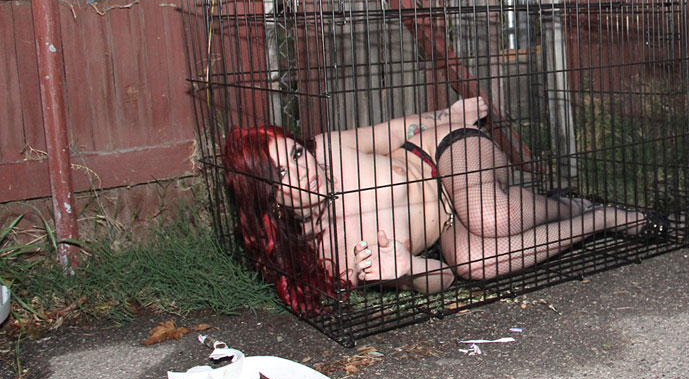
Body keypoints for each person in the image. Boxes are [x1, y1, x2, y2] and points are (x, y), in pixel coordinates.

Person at [220, 96, 645, 313]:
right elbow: (440, 278)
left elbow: (394, 130)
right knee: (472, 263)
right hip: (445, 225)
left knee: (490, 214)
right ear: (270, 202)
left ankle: (568, 206)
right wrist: (406, 268)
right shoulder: (333, 258)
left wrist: (449, 112)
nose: (304, 168)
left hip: (443, 154)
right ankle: (599, 219)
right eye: (283, 175)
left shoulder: (331, 149)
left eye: (296, 154)